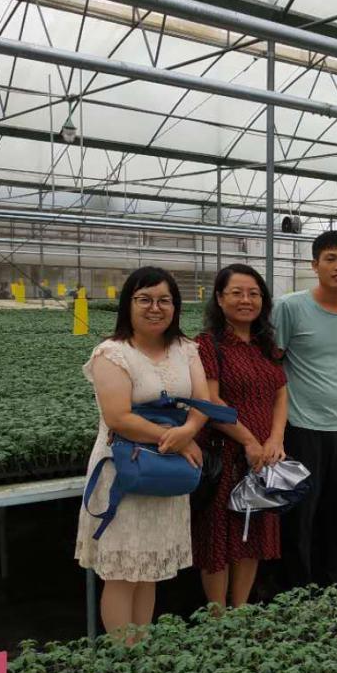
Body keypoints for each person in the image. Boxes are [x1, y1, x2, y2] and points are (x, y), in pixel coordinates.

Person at [75, 267, 207, 643]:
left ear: (175, 306)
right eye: (144, 299)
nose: (155, 307)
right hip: (123, 469)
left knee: (148, 569)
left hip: (165, 468)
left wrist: (189, 431)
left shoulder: (185, 349)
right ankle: (124, 655)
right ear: (128, 305)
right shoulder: (112, 353)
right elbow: (118, 417)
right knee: (122, 572)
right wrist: (177, 438)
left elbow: (202, 402)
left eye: (164, 300)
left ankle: (141, 648)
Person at [271, 230, 337, 587]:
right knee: (300, 514)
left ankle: (333, 583)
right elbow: (274, 364)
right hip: (301, 428)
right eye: (331, 259)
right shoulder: (289, 307)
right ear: (315, 265)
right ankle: (298, 588)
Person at [191, 264, 288, 612]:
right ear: (219, 298)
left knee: (253, 532)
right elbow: (211, 400)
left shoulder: (265, 345)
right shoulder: (207, 345)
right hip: (227, 453)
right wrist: (248, 440)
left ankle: (241, 610)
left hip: (263, 457)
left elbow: (280, 393)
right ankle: (218, 615)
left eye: (254, 294)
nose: (246, 300)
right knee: (219, 535)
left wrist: (275, 438)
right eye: (237, 293)